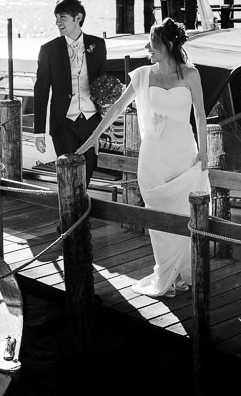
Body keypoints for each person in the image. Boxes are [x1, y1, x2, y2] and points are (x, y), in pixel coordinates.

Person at [77, 18, 210, 299]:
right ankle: (166, 270)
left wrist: (204, 150)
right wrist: (93, 139)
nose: (148, 47)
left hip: (182, 152)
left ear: (169, 45)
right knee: (156, 210)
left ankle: (180, 272)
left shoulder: (191, 75)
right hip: (153, 154)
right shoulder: (142, 75)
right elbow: (115, 109)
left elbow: (200, 114)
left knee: (183, 212)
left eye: (154, 42)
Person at [33, 0, 106, 186]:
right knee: (67, 178)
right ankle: (71, 215)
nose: (58, 23)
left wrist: (103, 119)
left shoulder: (97, 45)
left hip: (91, 122)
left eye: (62, 17)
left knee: (87, 174)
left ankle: (81, 213)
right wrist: (38, 131)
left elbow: (102, 83)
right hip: (63, 123)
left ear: (78, 18)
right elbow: (41, 90)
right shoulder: (49, 50)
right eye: (56, 18)